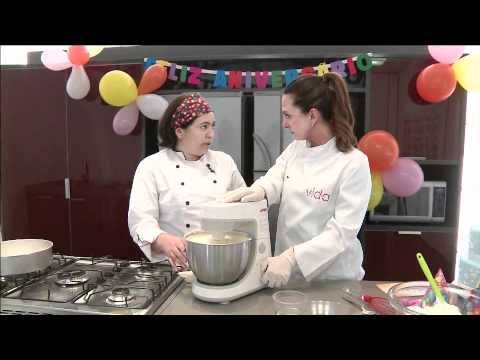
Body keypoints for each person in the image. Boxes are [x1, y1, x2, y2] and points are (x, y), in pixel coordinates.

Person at [223, 73, 371, 288]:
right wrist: (260, 190)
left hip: (333, 280)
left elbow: (342, 234)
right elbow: (275, 177)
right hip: (286, 275)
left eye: (288, 115)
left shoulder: (353, 163)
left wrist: (292, 257)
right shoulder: (296, 148)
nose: (284, 124)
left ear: (312, 115)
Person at [128, 93, 246, 270]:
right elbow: (140, 220)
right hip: (173, 267)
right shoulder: (151, 167)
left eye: (213, 126)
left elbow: (245, 207)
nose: (211, 135)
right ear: (179, 131)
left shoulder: (224, 162)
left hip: (222, 262)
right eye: (203, 127)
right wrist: (161, 239)